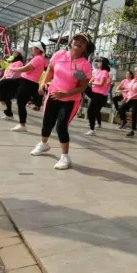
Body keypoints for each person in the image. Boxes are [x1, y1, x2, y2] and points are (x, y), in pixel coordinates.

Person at [29, 33, 93, 170]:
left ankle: (65, 157)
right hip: (53, 95)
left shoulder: (84, 65)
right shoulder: (59, 54)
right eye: (76, 39)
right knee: (47, 123)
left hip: (70, 100)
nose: (78, 42)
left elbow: (82, 87)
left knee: (61, 126)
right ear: (71, 42)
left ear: (85, 47)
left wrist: (66, 93)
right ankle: (43, 144)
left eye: (83, 41)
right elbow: (50, 69)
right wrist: (43, 83)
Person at [6, 42, 47, 132]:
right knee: (21, 103)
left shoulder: (38, 58)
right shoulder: (41, 59)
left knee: (20, 103)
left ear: (38, 49)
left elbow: (27, 68)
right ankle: (21, 122)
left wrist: (13, 69)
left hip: (27, 83)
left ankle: (22, 125)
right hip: (29, 83)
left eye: (33, 48)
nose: (32, 49)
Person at [85, 57, 111, 135]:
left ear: (103, 63)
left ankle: (92, 129)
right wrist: (89, 82)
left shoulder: (105, 72)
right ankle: (92, 125)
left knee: (91, 111)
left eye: (99, 62)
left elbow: (101, 84)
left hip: (100, 95)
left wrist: (91, 83)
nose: (98, 63)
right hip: (95, 93)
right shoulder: (98, 71)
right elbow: (92, 79)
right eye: (98, 62)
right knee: (84, 87)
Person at [118, 67, 137, 137]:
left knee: (134, 114)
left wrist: (131, 97)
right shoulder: (133, 80)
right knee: (121, 108)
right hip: (129, 98)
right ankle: (124, 121)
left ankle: (132, 131)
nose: (136, 73)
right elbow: (129, 90)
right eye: (136, 71)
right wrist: (125, 98)